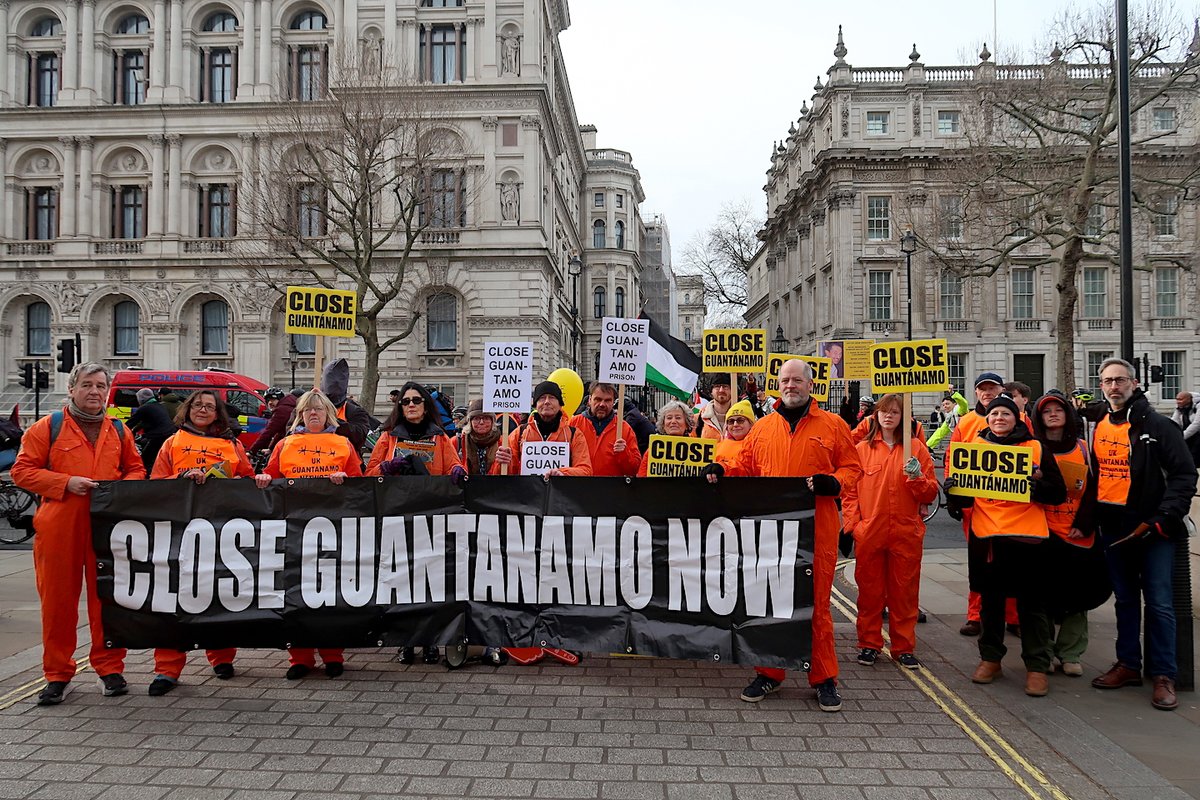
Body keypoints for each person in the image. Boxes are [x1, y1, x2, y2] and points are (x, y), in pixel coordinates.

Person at [704, 359, 862, 711]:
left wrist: (834, 482)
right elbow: (743, 464)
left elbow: (852, 468)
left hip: (816, 530)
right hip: (771, 531)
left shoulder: (833, 425)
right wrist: (720, 468)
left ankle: (823, 678)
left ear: (810, 384)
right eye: (785, 380)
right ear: (778, 385)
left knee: (818, 606)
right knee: (770, 602)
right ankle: (769, 672)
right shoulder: (763, 429)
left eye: (797, 380)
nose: (790, 385)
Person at [11, 363, 145, 706]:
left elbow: (135, 469)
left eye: (101, 386)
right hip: (59, 526)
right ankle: (57, 674)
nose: (95, 392)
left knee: (108, 602)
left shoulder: (118, 429)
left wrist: (120, 490)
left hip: (106, 526)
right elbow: (22, 471)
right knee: (58, 603)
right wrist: (65, 483)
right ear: (71, 389)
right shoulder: (47, 427)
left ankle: (109, 668)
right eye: (87, 385)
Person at [1088, 359, 1196, 711]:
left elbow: (1183, 474)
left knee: (1161, 603)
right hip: (1114, 528)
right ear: (1101, 386)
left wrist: (1165, 517)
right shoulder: (1099, 425)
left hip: (1152, 528)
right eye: (1107, 381)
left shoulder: (1159, 425)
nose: (1114, 386)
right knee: (1124, 601)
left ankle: (1164, 675)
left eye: (1120, 380)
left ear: (1134, 383)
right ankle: (1128, 665)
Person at [946, 393, 1066, 697]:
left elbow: (1057, 493)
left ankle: (1037, 666)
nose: (999, 418)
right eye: (995, 414)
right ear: (988, 419)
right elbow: (961, 502)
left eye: (1006, 414)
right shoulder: (975, 449)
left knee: (1033, 607)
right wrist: (953, 491)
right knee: (991, 603)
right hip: (987, 539)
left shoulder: (1035, 448)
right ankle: (990, 659)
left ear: (1018, 419)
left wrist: (1036, 482)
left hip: (1028, 539)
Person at [146, 390, 254, 695]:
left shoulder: (231, 444)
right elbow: (154, 486)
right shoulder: (172, 442)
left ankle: (221, 657)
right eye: (197, 405)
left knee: (220, 594)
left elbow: (247, 479)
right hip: (180, 529)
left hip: (221, 530)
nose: (203, 410)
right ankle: (167, 668)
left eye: (209, 406)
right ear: (187, 409)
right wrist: (181, 479)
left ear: (218, 413)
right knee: (172, 598)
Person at [255, 390, 363, 679]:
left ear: (329, 414)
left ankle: (333, 655)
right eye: (307, 410)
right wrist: (265, 477)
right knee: (295, 591)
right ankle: (300, 658)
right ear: (300, 415)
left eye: (318, 409)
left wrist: (346, 481)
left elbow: (360, 484)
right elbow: (271, 475)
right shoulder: (286, 443)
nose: (313, 414)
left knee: (330, 592)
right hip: (294, 529)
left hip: (332, 528)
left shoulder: (343, 444)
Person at [843, 393, 938, 670]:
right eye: (884, 411)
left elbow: (930, 492)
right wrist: (854, 525)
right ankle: (869, 644)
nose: (888, 416)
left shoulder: (917, 448)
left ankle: (903, 647)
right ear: (876, 416)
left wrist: (918, 476)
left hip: (906, 532)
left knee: (904, 594)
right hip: (870, 532)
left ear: (903, 418)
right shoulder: (861, 449)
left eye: (894, 412)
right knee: (870, 594)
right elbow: (849, 493)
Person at [1028, 390, 1107, 678]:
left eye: (1058, 410)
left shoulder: (1084, 448)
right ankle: (1045, 652)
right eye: (1046, 410)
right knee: (1043, 597)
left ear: (1067, 415)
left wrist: (1086, 522)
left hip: (1077, 532)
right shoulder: (1032, 449)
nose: (1052, 414)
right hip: (1042, 531)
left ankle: (1071, 653)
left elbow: (1096, 490)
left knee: (1078, 596)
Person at [948, 371, 1019, 637]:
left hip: (1013, 509)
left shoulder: (1020, 421)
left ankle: (1013, 617)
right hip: (976, 507)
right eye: (982, 389)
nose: (987, 393)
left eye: (992, 389)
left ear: (1002, 390)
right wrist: (955, 497)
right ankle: (975, 615)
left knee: (1011, 564)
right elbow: (952, 460)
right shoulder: (965, 422)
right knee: (978, 563)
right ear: (976, 393)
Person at [366, 382, 464, 481]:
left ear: (425, 407)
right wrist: (385, 467)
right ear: (401, 408)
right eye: (406, 401)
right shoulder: (388, 437)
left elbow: (452, 467)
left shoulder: (440, 437)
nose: (411, 405)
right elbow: (369, 475)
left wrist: (457, 470)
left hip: (431, 494)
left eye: (416, 400)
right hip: (395, 494)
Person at [494, 381, 593, 477]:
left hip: (560, 493)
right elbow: (504, 475)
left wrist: (563, 473)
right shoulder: (519, 433)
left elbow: (585, 470)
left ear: (560, 405)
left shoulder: (574, 434)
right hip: (528, 493)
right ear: (535, 405)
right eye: (542, 398)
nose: (547, 402)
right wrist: (503, 462)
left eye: (552, 397)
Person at [571, 383, 641, 477]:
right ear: (589, 400)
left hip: (611, 489)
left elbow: (634, 469)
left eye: (607, 400)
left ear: (613, 402)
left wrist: (624, 453)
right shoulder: (574, 424)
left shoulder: (624, 428)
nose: (602, 404)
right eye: (598, 399)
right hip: (578, 488)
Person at [320, 358, 372, 451]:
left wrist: (331, 422)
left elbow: (360, 435)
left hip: (346, 462)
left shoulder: (354, 411)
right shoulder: (308, 408)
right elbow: (292, 432)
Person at [636, 400, 697, 477]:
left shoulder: (698, 449)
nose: (673, 421)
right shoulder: (653, 449)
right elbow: (642, 479)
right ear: (663, 425)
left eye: (678, 418)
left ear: (687, 424)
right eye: (669, 418)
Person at [127, 388, 177, 473]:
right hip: (170, 434)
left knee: (146, 458)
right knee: (155, 456)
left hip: (159, 436)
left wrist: (119, 430)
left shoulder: (144, 408)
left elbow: (130, 423)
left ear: (141, 399)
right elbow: (144, 422)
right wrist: (135, 430)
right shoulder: (158, 405)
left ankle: (148, 477)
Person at [454, 400, 504, 476]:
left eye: (486, 418)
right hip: (467, 486)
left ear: (492, 421)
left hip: (494, 485)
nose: (481, 422)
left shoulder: (503, 443)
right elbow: (448, 465)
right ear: (470, 422)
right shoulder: (457, 442)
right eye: (476, 419)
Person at [249, 389, 299, 455]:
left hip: (290, 445)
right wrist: (271, 448)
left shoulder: (281, 410)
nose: (270, 403)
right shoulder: (290, 405)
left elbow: (269, 432)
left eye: (273, 399)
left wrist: (252, 451)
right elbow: (281, 432)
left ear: (279, 399)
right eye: (268, 400)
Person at [712, 400, 757, 466]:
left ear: (751, 424)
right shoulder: (716, 447)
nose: (735, 424)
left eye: (740, 420)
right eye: (731, 421)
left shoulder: (757, 447)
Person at [698, 376, 733, 440]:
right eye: (717, 386)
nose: (721, 390)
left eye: (725, 387)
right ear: (711, 391)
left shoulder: (742, 418)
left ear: (732, 390)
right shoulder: (699, 418)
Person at [1171, 390, 1200, 467]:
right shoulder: (1180, 407)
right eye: (1177, 399)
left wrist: (1181, 437)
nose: (1178, 402)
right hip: (1188, 435)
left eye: (1180, 399)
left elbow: (1196, 424)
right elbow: (1174, 421)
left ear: (1189, 399)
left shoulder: (1198, 406)